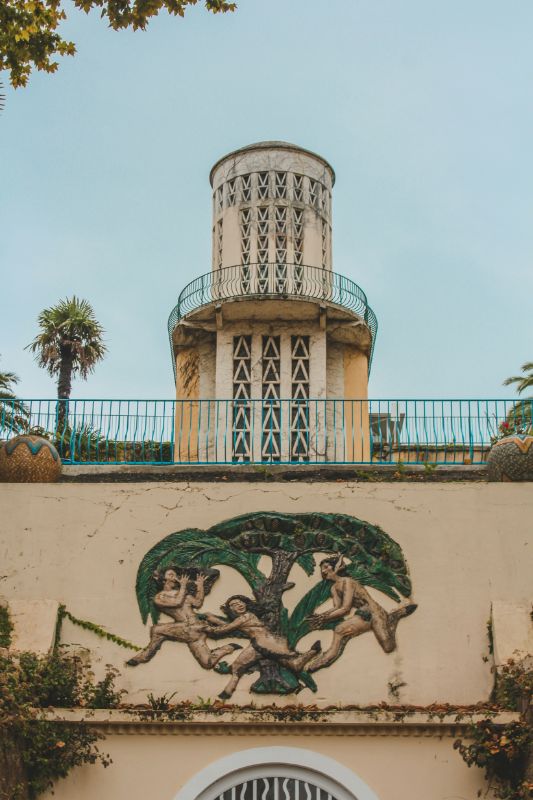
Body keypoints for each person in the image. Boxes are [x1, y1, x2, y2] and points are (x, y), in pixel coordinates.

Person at [305, 556, 417, 673]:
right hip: (363, 613)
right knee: (339, 630)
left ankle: (394, 617)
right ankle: (323, 660)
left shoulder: (347, 582)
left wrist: (323, 618)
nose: (323, 571)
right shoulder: (334, 588)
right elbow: (336, 607)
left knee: (389, 647)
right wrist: (321, 616)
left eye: (326, 567)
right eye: (322, 569)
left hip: (375, 611)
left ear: (336, 567)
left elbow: (345, 608)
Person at [204, 595, 321, 699]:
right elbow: (233, 626)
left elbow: (225, 629)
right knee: (292, 664)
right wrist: (213, 619)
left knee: (237, 667)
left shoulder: (245, 617)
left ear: (245, 603)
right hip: (265, 642)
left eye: (240, 602)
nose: (239, 604)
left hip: (264, 644)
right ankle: (312, 651)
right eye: (234, 604)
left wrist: (207, 628)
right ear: (231, 609)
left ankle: (227, 693)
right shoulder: (246, 617)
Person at [127, 568, 241, 670]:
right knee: (207, 663)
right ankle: (228, 648)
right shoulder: (160, 597)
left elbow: (197, 603)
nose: (174, 576)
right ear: (162, 579)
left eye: (175, 574)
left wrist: (200, 585)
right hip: (187, 630)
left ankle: (143, 656)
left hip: (194, 626)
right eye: (170, 574)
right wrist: (183, 586)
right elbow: (177, 602)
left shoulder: (184, 593)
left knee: (157, 630)